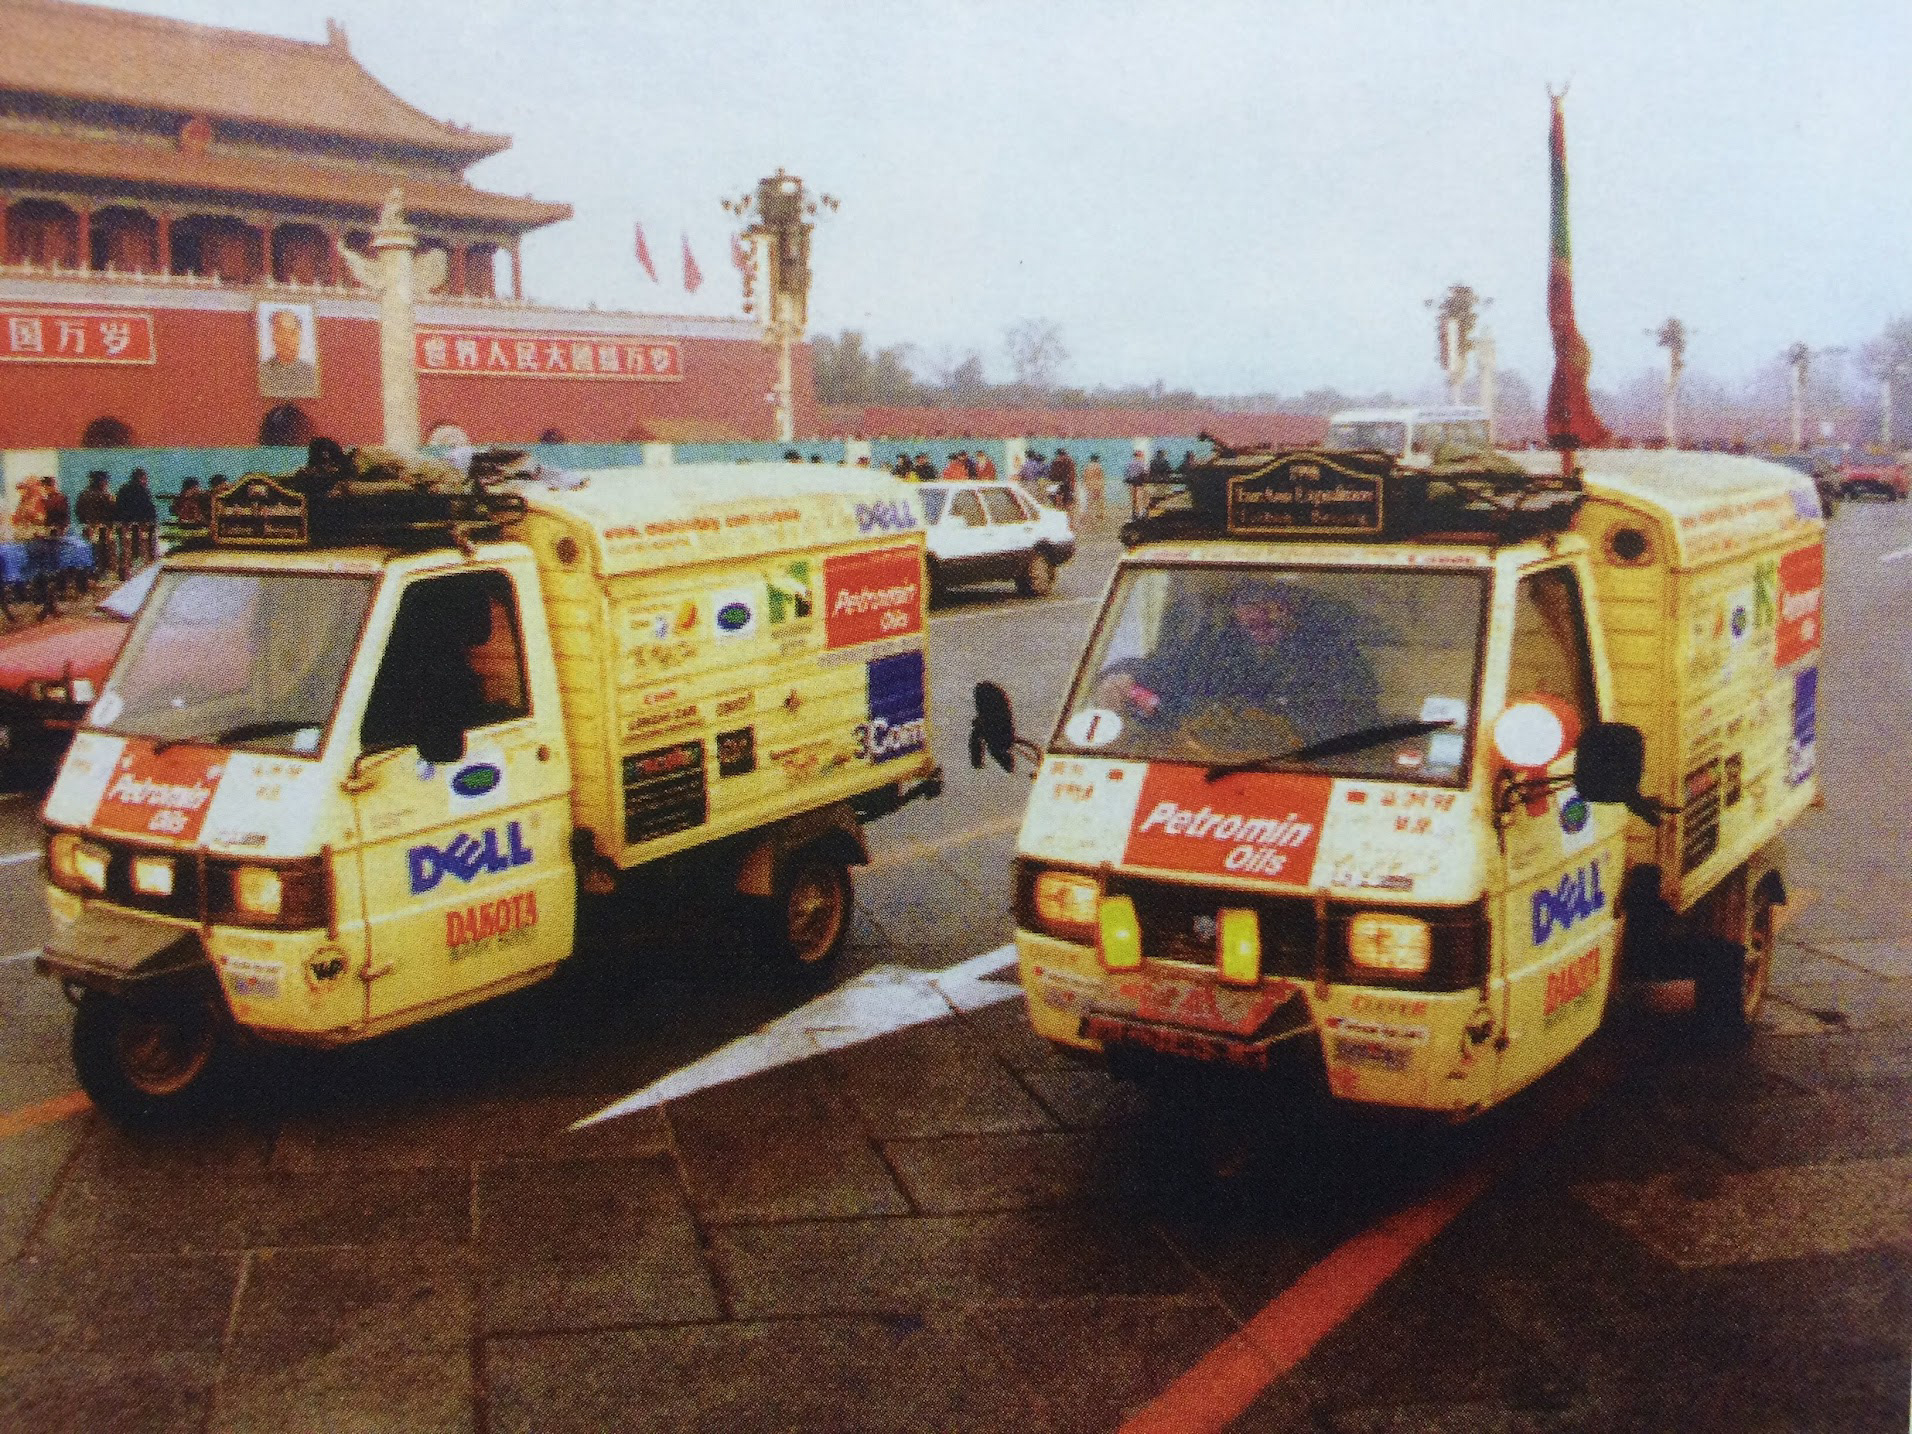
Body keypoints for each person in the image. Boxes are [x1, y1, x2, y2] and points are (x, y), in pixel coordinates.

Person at [1097, 577, 1379, 751]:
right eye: (1248, 602)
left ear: (1297, 606)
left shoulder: (1336, 659)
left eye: (1276, 601)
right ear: (1234, 609)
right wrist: (1124, 675)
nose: (1262, 614)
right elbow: (1162, 671)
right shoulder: (1213, 646)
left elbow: (1352, 730)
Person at [258, 306, 318, 399]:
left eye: (292, 333)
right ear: (273, 336)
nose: (287, 339)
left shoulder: (310, 373)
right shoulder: (263, 371)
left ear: (299, 336)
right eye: (281, 332)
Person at [1081, 452, 1108, 522]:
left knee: (1089, 501)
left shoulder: (1087, 466)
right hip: (1097, 485)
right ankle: (1101, 515)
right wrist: (1102, 486)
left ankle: (1089, 516)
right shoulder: (1099, 466)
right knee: (1099, 501)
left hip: (1089, 485)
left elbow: (1084, 477)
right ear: (1097, 459)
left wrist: (1084, 485)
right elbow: (1101, 477)